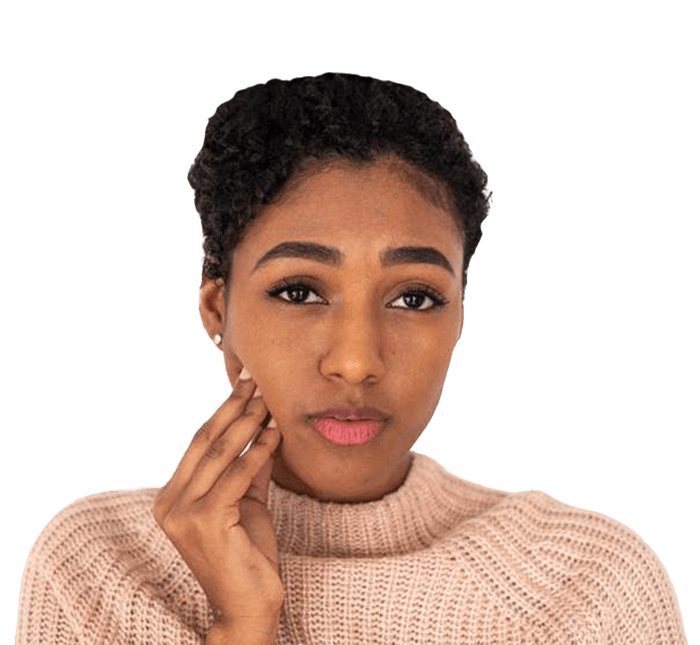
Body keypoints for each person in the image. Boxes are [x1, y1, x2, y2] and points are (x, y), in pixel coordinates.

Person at [14, 72, 688, 644]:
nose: (357, 361)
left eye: (415, 298)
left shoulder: (588, 586)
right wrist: (243, 626)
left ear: (460, 317)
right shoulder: (99, 567)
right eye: (300, 290)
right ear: (218, 312)